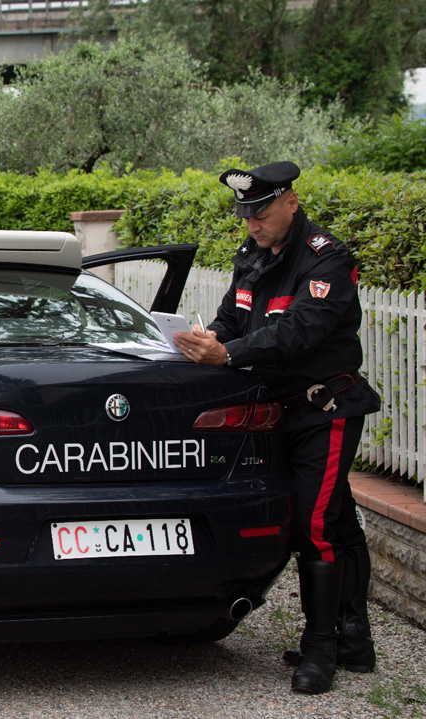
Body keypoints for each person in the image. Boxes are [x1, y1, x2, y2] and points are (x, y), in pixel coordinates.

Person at [173, 161, 381, 695]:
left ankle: (320, 648)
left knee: (312, 525)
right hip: (278, 411)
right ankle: (354, 639)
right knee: (338, 520)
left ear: (291, 203)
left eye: (261, 213)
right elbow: (233, 318)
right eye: (245, 215)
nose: (253, 224)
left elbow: (299, 332)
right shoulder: (252, 256)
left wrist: (228, 354)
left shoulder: (326, 258)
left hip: (324, 409)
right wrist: (206, 340)